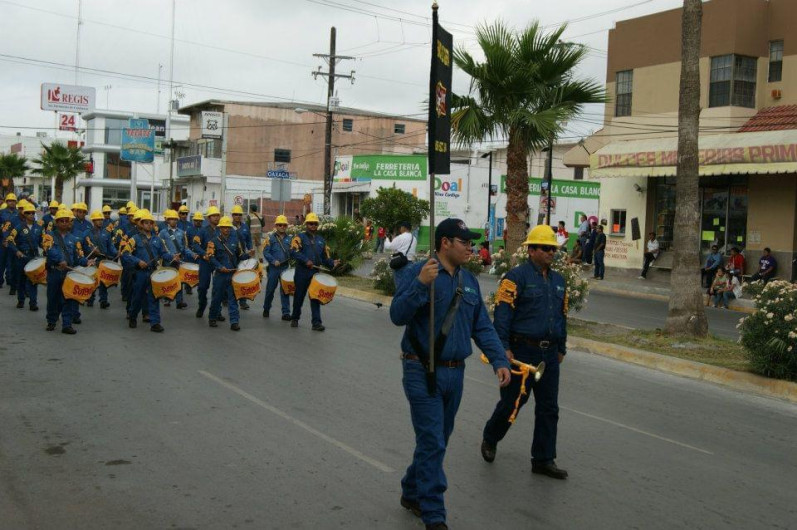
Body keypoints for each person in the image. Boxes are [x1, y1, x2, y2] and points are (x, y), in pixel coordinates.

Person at [390, 218, 511, 529]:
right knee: (432, 442)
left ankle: (411, 490)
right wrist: (420, 284)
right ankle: (434, 514)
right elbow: (397, 315)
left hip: (455, 374)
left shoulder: (468, 281)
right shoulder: (419, 272)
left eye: (471, 242)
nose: (471, 248)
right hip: (421, 369)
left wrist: (499, 359)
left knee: (437, 439)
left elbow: (481, 326)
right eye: (464, 242)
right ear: (445, 243)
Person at [481, 224, 569, 481]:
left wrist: (561, 347)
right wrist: (503, 349)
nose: (551, 252)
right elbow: (502, 316)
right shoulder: (515, 277)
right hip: (521, 352)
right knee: (513, 403)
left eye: (553, 249)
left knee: (549, 408)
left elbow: (562, 316)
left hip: (549, 355)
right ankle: (491, 437)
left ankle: (543, 459)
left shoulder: (559, 281)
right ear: (531, 250)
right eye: (545, 248)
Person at [121, 209, 175, 332]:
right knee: (137, 297)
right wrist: (137, 261)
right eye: (146, 223)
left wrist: (172, 257)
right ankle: (133, 316)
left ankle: (155, 322)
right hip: (140, 273)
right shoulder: (134, 239)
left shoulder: (158, 239)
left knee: (154, 297)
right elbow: (125, 253)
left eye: (151, 223)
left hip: (153, 272)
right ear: (141, 224)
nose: (149, 225)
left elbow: (163, 253)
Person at [43, 208, 92, 334]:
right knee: (53, 298)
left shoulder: (75, 239)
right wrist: (60, 260)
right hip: (54, 272)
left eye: (67, 221)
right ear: (57, 222)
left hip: (68, 274)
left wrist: (86, 262)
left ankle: (67, 324)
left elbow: (78, 256)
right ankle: (52, 321)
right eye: (62, 221)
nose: (65, 223)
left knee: (69, 298)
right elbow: (49, 250)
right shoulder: (49, 236)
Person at [289, 212, 339, 331]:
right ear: (306, 224)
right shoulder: (299, 237)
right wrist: (306, 260)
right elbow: (293, 251)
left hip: (315, 273)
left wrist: (332, 263)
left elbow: (325, 258)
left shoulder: (321, 240)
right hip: (302, 272)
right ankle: (295, 318)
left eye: (315, 223)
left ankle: (316, 323)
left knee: (315, 297)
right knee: (299, 296)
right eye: (310, 223)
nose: (313, 225)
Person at [208, 216, 245, 331]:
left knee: (233, 299)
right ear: (220, 228)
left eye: (228, 227)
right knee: (217, 297)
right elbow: (211, 257)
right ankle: (212, 317)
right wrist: (219, 267)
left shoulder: (235, 241)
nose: (226, 229)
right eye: (224, 227)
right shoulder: (213, 242)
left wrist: (249, 254)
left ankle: (234, 322)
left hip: (232, 274)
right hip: (220, 274)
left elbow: (240, 256)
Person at [7, 201, 43, 310]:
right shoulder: (18, 227)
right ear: (24, 214)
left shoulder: (39, 227)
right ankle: (21, 300)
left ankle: (33, 303)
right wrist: (16, 251)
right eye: (28, 213)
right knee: (21, 280)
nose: (31, 215)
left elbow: (42, 242)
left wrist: (46, 247)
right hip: (22, 257)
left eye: (33, 213)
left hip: (34, 257)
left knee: (34, 281)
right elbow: (10, 240)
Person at [159, 209, 195, 310]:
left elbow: (185, 247)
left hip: (179, 260)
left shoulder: (182, 232)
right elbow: (161, 247)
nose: (173, 221)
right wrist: (171, 256)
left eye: (175, 219)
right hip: (168, 260)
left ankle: (179, 301)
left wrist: (192, 254)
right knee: (168, 280)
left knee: (179, 281)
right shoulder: (163, 233)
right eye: (171, 219)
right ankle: (167, 299)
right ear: (167, 220)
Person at [83, 210, 118, 309]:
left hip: (103, 259)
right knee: (92, 279)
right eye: (97, 220)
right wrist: (91, 250)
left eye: (101, 220)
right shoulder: (87, 233)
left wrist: (116, 252)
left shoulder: (106, 233)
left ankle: (103, 301)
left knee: (103, 281)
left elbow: (110, 246)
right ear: (93, 221)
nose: (100, 221)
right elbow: (83, 245)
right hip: (92, 259)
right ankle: (90, 298)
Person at [192, 206, 221, 319]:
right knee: (203, 287)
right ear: (209, 218)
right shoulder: (203, 230)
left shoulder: (221, 230)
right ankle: (201, 306)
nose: (216, 218)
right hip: (205, 261)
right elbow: (195, 245)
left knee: (218, 288)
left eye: (217, 215)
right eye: (214, 216)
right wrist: (203, 254)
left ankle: (216, 311)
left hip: (218, 261)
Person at [262, 215, 292, 320]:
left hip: (285, 267)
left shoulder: (290, 239)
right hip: (274, 268)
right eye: (280, 225)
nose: (282, 227)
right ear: (276, 226)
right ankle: (266, 308)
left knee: (285, 291)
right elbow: (266, 252)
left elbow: (293, 252)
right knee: (270, 290)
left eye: (284, 225)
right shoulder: (270, 238)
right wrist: (273, 260)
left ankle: (286, 313)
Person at [231, 205, 255, 310]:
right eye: (236, 214)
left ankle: (243, 301)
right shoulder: (228, 226)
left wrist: (251, 250)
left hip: (243, 256)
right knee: (230, 278)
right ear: (232, 215)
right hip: (231, 257)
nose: (238, 216)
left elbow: (249, 240)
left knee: (243, 278)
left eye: (239, 214)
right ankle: (226, 298)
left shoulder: (245, 227)